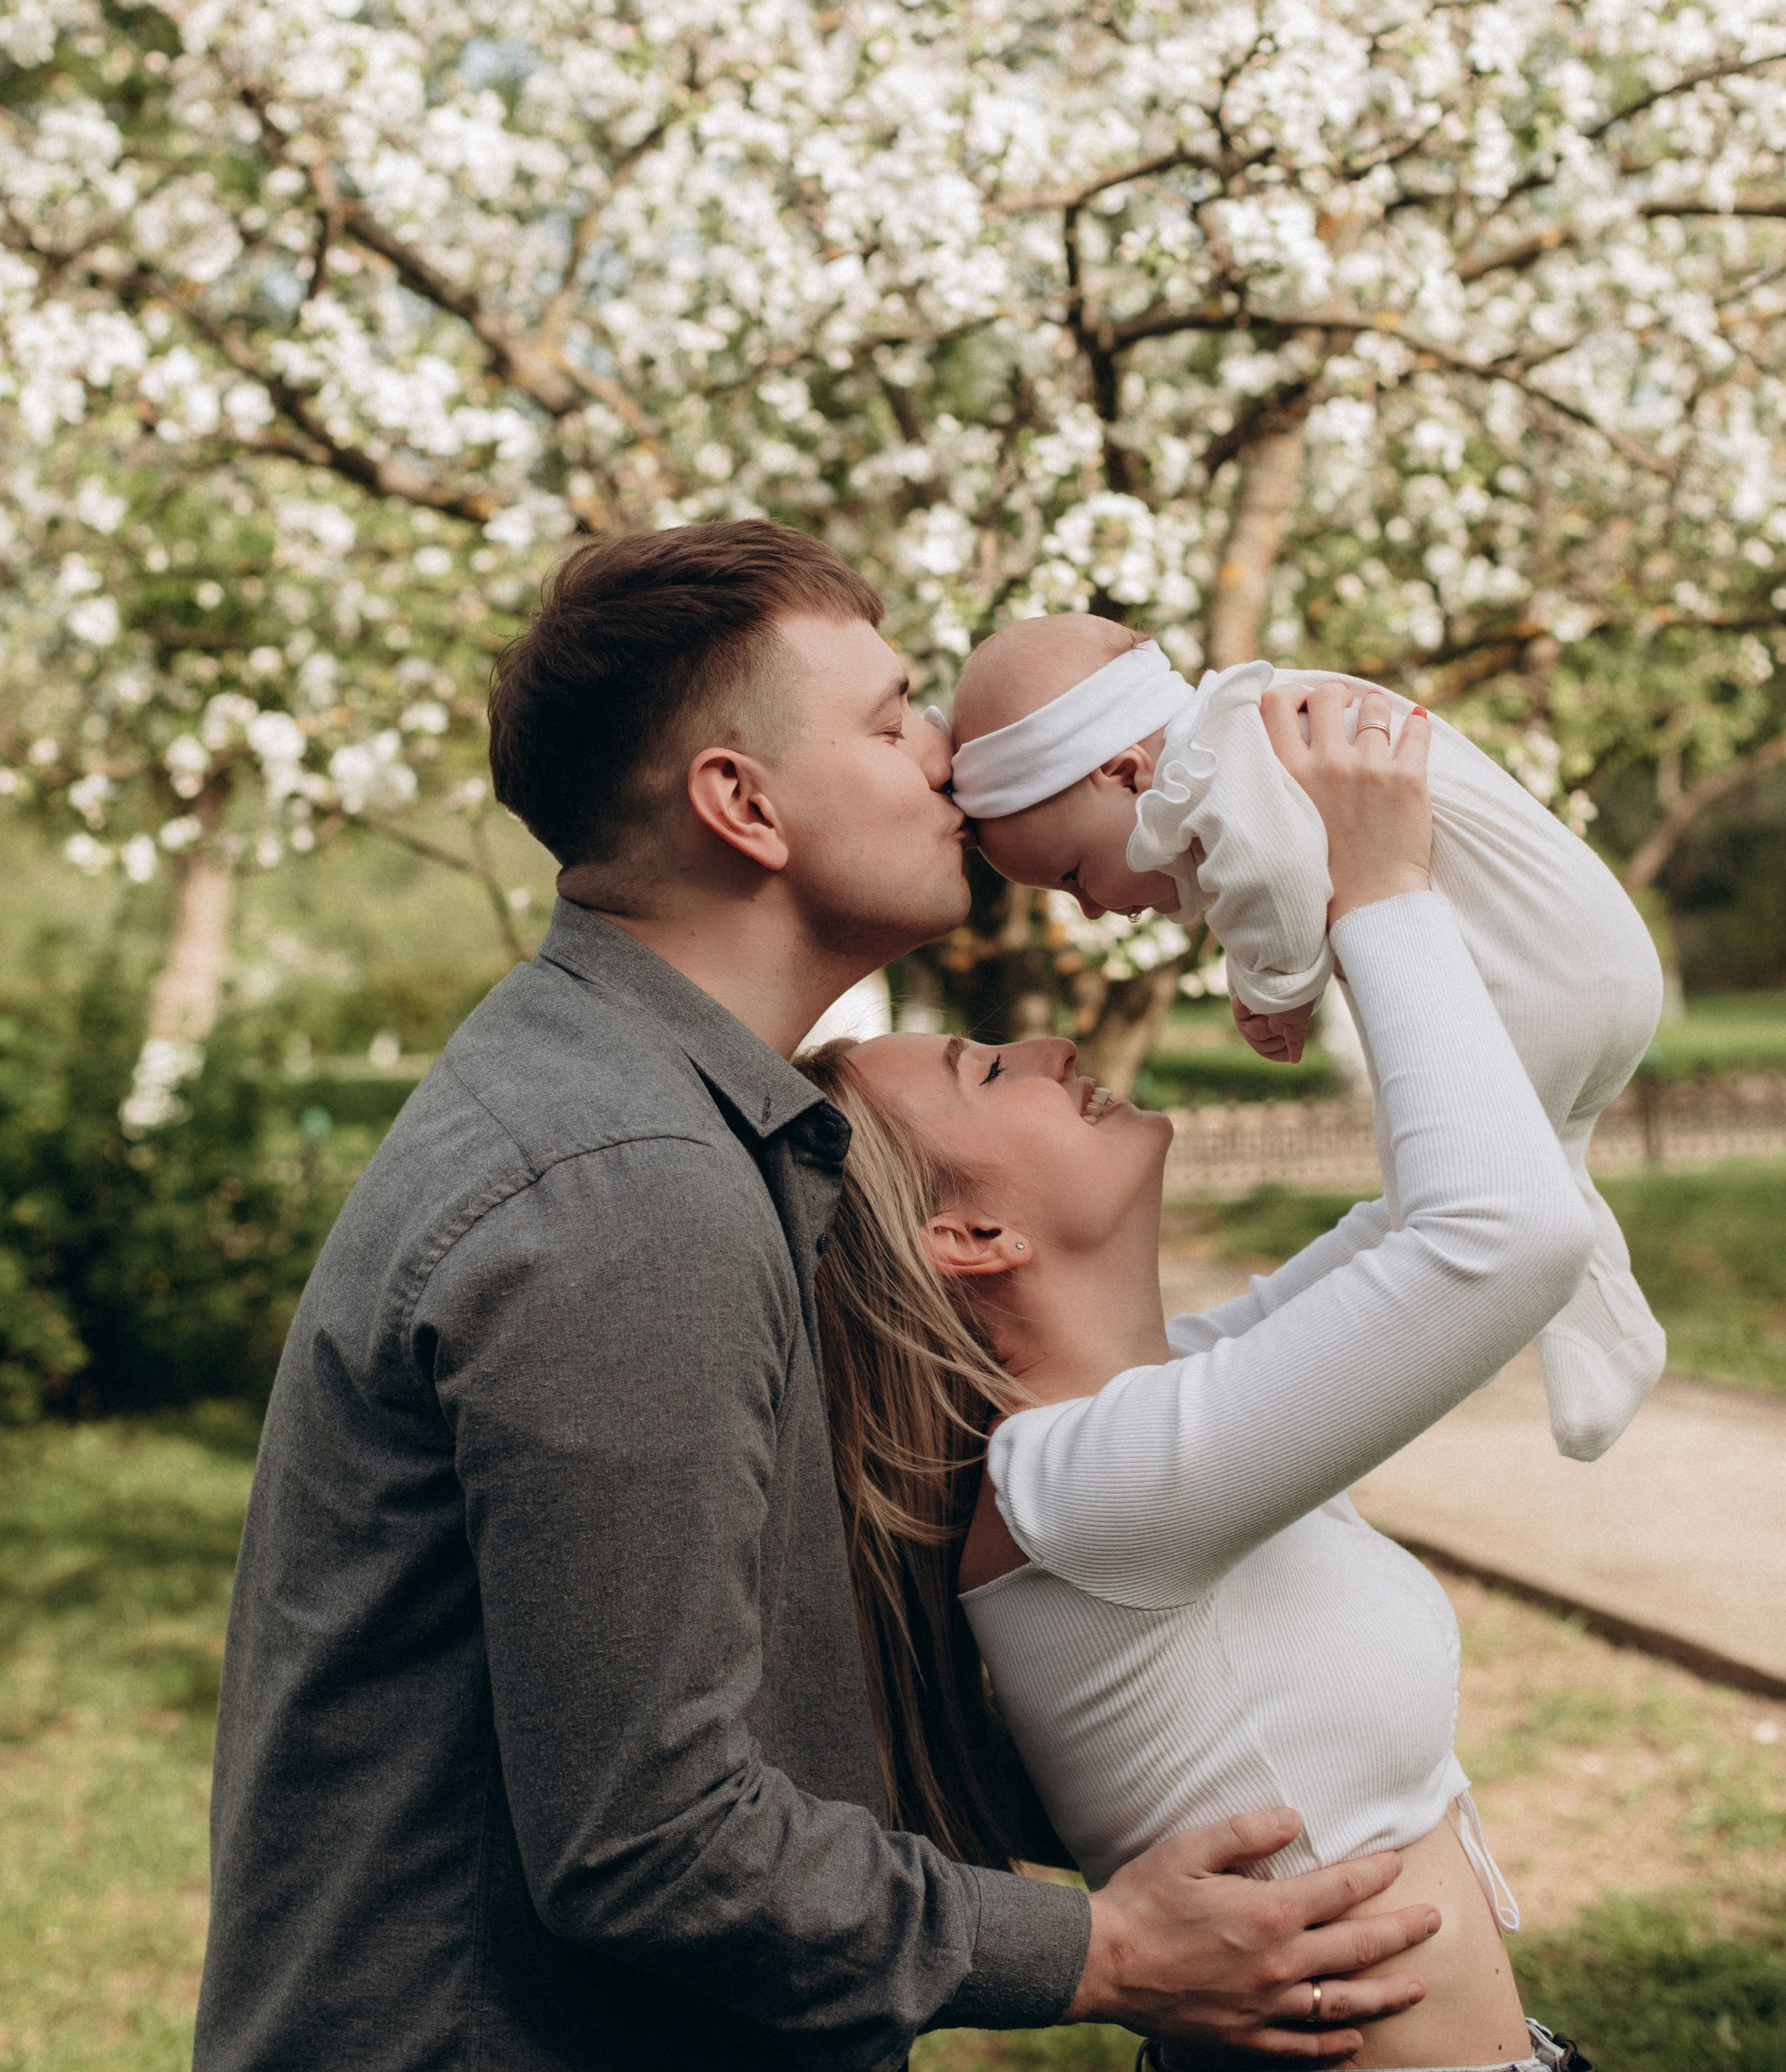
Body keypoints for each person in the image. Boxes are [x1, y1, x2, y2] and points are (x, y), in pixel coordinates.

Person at [194, 523, 1443, 2072]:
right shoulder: (623, 1188)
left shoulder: (676, 1121)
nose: (951, 760)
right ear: (741, 804)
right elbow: (647, 1836)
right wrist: (1104, 1951)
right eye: (893, 716)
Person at [804, 681, 1600, 2072]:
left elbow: (1491, 1177)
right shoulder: (1076, 1493)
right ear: (969, 1237)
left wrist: (1315, 869)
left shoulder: (1160, 1408)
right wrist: (1373, 893)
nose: (1054, 1045)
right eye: (993, 1069)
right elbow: (1503, 1238)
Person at [940, 614, 1665, 1463]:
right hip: (1586, 967)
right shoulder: (1268, 716)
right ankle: (1609, 1338)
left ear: (1125, 772)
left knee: (1443, 1182)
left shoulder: (1227, 758)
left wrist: (1272, 985)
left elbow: (1276, 876)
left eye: (1072, 876)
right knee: (1542, 1164)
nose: (1092, 908)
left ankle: (1552, 1336)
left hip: (1537, 985)